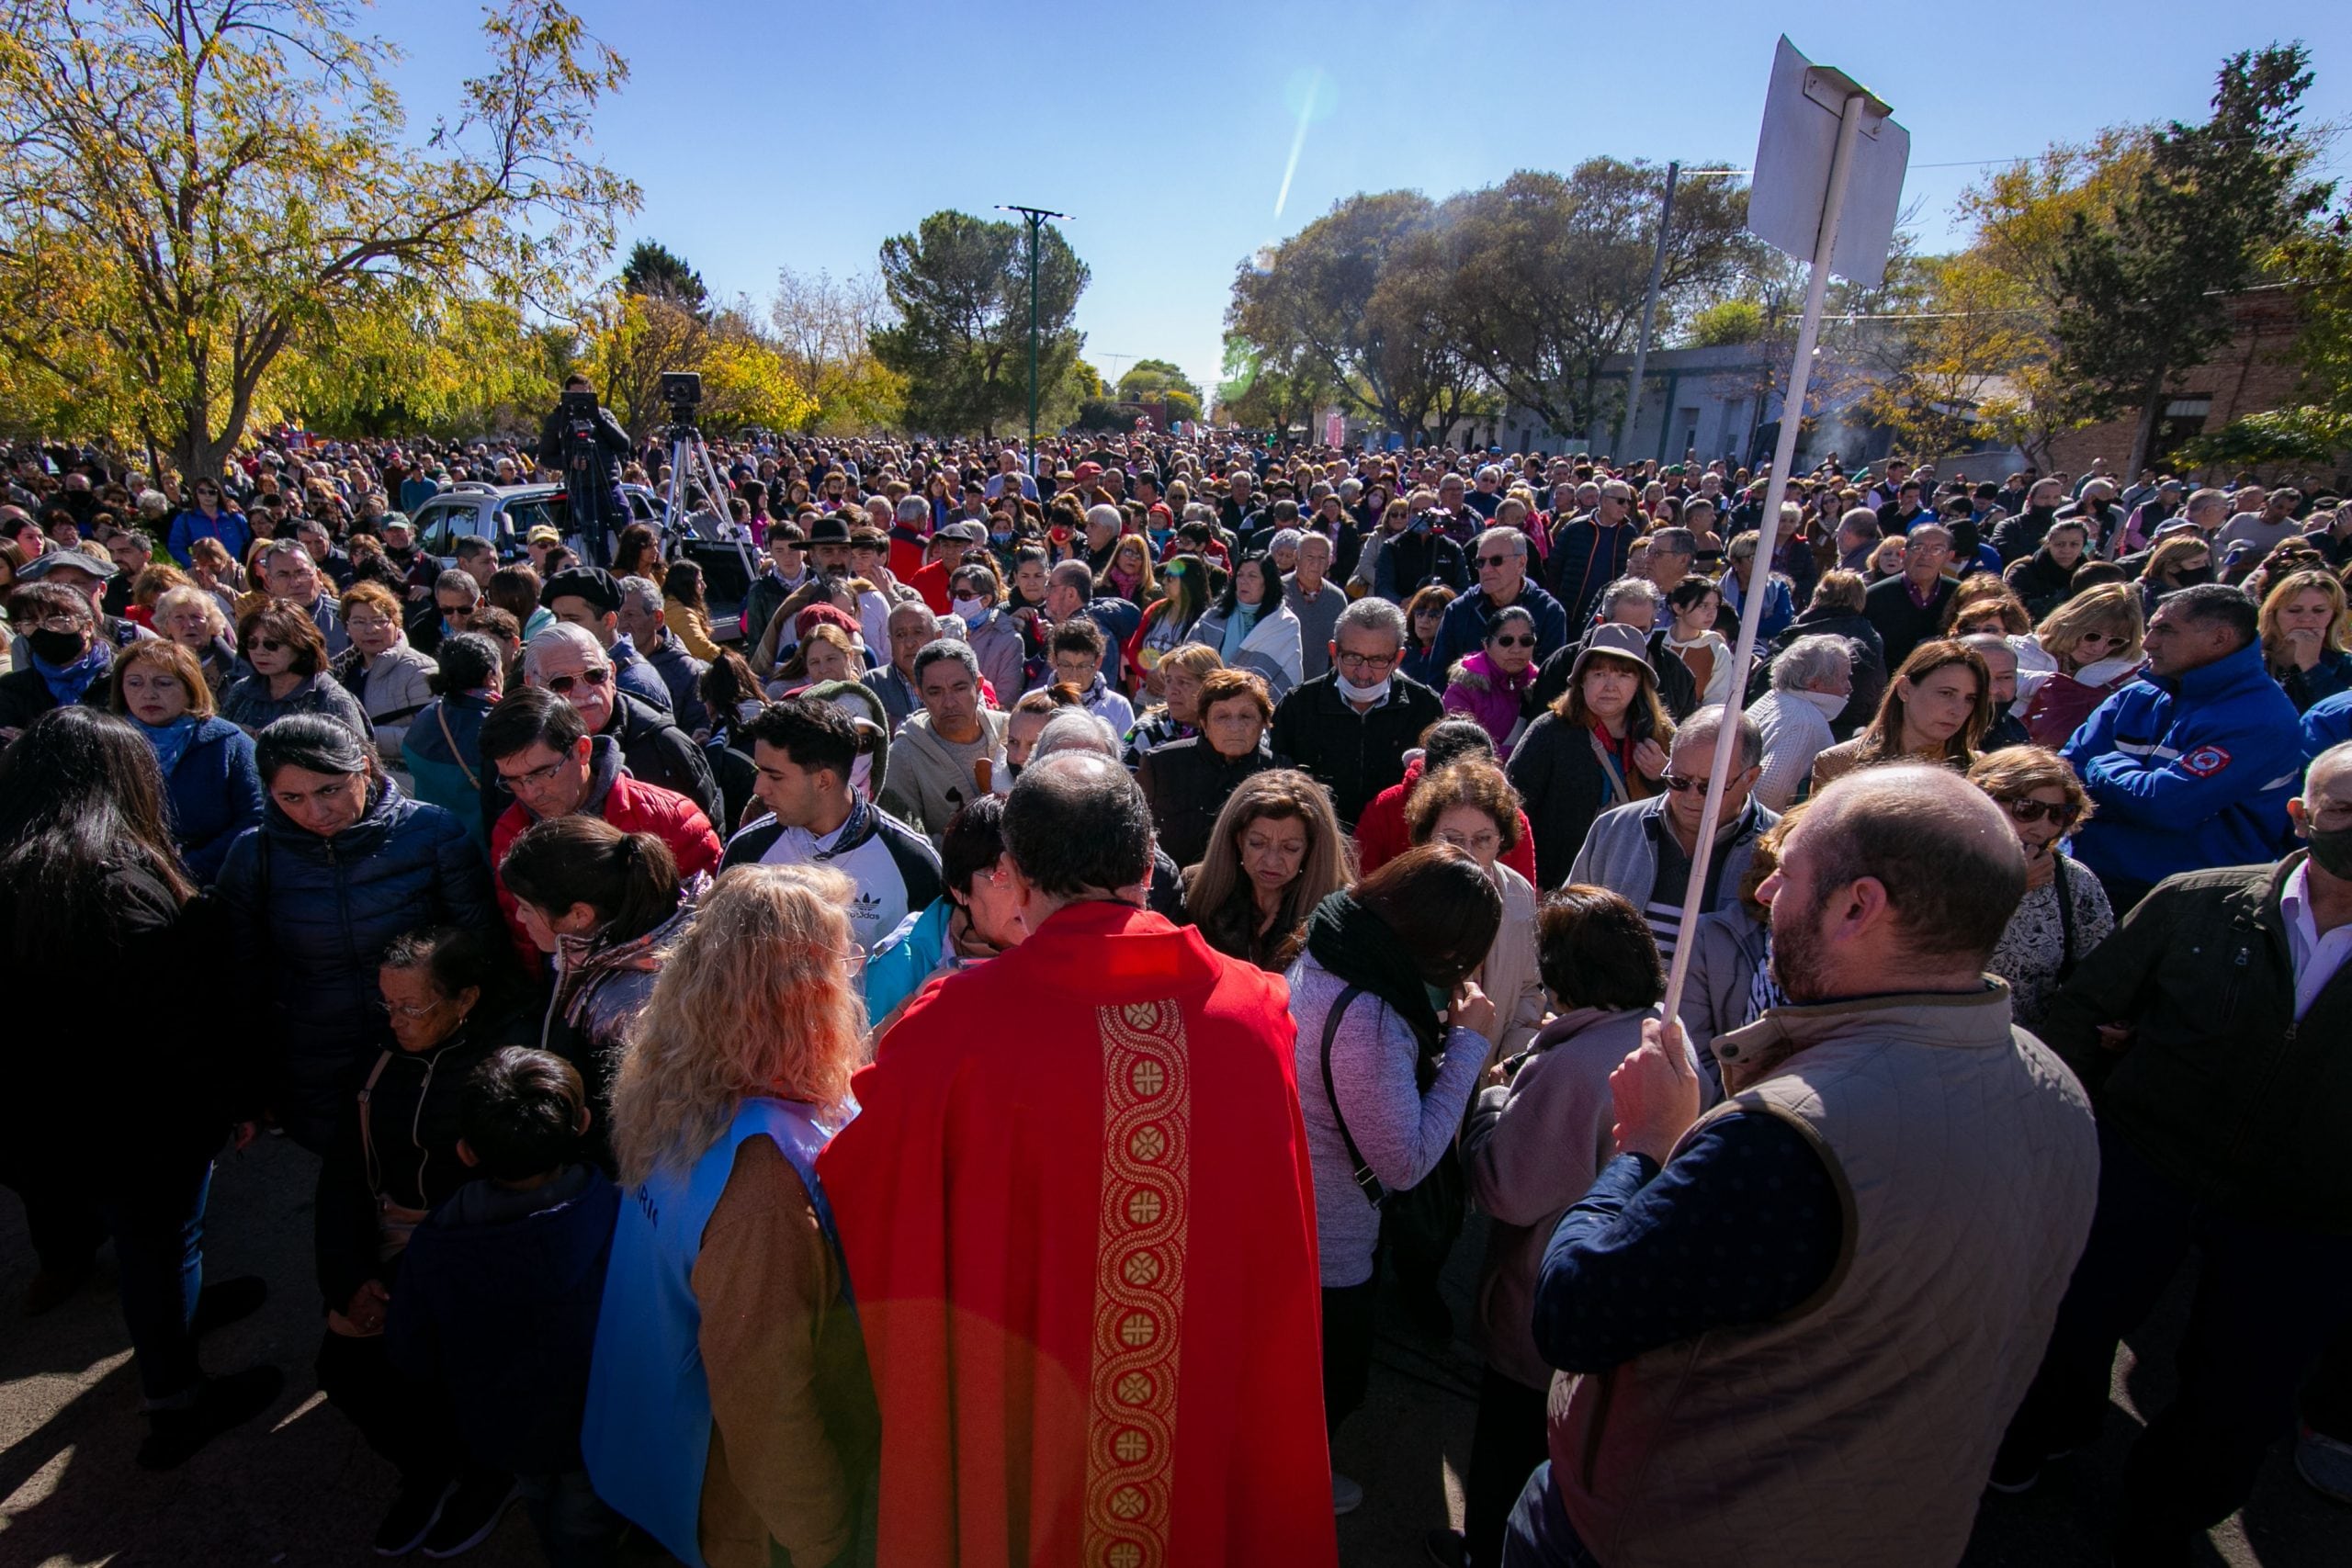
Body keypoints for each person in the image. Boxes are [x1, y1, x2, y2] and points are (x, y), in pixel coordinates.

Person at [1501, 764, 2098, 1568]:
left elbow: (1575, 1312)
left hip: (1664, 1533)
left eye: (1791, 872)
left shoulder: (1788, 1139)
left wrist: (1645, 1145)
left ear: (1859, 906)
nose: (1765, 889)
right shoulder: (2059, 1091)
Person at [821, 748, 1336, 1562]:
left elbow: (865, 1190)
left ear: (1015, 871)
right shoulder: (1251, 1014)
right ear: (1145, 861)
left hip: (1026, 1417)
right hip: (1194, 1397)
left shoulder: (950, 1030)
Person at [1997, 742, 2352, 1562]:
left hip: (2303, 1216)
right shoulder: (2195, 904)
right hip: (2146, 1162)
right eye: (2346, 811)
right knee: (2072, 1316)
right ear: (2299, 816)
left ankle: (2165, 1517)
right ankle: (2039, 1436)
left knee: (2242, 1388)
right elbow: (2088, 1010)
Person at [0, 706, 280, 1468]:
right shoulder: (117, 882)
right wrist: (236, 1100)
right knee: (161, 1243)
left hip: (42, 1118)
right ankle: (176, 1400)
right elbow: (180, 1021)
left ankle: (179, 1315)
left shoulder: (19, 865)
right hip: (136, 1120)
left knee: (152, 1246)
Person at [580, 861, 879, 1568]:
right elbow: (766, 1402)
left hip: (638, 1425)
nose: (854, 974)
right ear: (794, 996)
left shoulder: (674, 1082)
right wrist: (823, 1536)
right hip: (732, 1498)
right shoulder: (765, 1192)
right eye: (842, 960)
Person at [1443, 887, 1690, 1568]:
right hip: (1607, 1313)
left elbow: (1504, 1187)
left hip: (1535, 1319)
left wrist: (1493, 1100)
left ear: (1564, 975)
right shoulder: (1660, 1038)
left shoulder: (1571, 1068)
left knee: (1505, 1462)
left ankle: (1483, 1552)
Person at [1287, 844, 1500, 1511]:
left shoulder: (1333, 944)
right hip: (1330, 1243)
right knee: (1331, 1382)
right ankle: (1293, 1495)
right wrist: (1469, 1044)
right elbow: (1404, 1160)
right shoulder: (1369, 1022)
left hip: (1292, 1212)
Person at [313, 927, 519, 1558]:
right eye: (389, 1005)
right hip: (388, 1237)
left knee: (439, 1357)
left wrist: (404, 1284)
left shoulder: (497, 1071)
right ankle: (426, 1468)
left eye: (413, 1007)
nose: (397, 1021)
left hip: (467, 1246)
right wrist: (348, 1277)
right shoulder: (375, 1066)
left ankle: (488, 1474)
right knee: (342, 1365)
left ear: (465, 999)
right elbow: (343, 1176)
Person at [386, 1047, 626, 1568]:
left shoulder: (433, 1246)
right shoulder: (620, 1222)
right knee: (586, 1523)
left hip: (497, 1426)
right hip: (596, 1428)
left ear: (466, 1152)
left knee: (539, 1495)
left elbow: (411, 1350)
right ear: (583, 1122)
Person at [215, 716, 494, 1152]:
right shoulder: (254, 854)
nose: (316, 812)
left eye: (330, 789)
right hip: (314, 1063)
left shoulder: (433, 833)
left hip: (427, 1053)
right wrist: (251, 1086)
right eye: (292, 797)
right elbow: (240, 981)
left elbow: (481, 947)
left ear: (364, 768)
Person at [2063, 582, 2306, 911]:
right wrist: (2129, 792)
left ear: (2220, 639)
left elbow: (2164, 805)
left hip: (2195, 906)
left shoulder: (2261, 718)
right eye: (2151, 629)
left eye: (2165, 631)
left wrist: (2103, 764)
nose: (2148, 643)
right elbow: (2062, 779)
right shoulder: (2137, 696)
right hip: (2091, 882)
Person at [500, 814, 690, 1168]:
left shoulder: (629, 1010)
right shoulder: (605, 944)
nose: (520, 919)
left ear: (579, 916)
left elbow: (624, 1130)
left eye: (526, 908)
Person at [479, 686, 718, 966]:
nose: (529, 793)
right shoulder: (509, 831)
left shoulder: (672, 818)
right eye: (512, 780)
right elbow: (522, 938)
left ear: (582, 750)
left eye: (542, 773)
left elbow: (713, 925)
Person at [720, 696, 942, 952]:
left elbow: (934, 967)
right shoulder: (746, 851)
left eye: (775, 776)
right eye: (759, 771)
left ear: (824, 780)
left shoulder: (911, 859)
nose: (759, 788)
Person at [1566, 704, 1776, 964]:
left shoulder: (1780, 850)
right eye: (1679, 780)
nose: (1691, 797)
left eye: (1708, 787)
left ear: (1751, 778)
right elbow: (1566, 928)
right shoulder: (1615, 828)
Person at [1508, 624, 1671, 889]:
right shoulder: (1550, 731)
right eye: (1599, 673)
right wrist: (1528, 880)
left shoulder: (1660, 737)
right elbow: (1513, 810)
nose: (1610, 685)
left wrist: (1664, 777)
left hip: (1632, 883)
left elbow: (1685, 816)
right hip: (1556, 885)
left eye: (1623, 675)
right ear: (1582, 679)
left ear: (1639, 683)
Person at [1965, 748, 2114, 1033]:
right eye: (2028, 810)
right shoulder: (1935, 864)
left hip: (2030, 1049)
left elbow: (2099, 974)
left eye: (2059, 815)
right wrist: (2009, 887)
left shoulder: (2072, 881)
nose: (2042, 828)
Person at [1405, 759, 1545, 1060]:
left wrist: (1514, 1050)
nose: (1467, 853)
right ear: (1428, 836)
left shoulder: (1518, 893)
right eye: (1452, 839)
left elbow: (1529, 988)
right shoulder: (1404, 896)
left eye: (1482, 840)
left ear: (1501, 840)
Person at [519, 623, 722, 826]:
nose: (583, 692)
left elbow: (706, 837)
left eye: (594, 675)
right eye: (562, 682)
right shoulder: (513, 755)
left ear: (612, 674)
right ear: (532, 686)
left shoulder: (667, 746)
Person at [1271, 596, 1444, 829]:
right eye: (1353, 657)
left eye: (1378, 660)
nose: (1363, 673)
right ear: (1334, 652)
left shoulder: (1424, 708)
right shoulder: (1298, 705)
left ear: (1398, 658)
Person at [863, 795, 1030, 1028]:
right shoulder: (900, 965)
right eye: (1003, 877)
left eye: (1035, 875)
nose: (1026, 894)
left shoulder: (1067, 944)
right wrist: (918, 1005)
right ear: (959, 888)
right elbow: (868, 1060)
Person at [108, 638, 262, 884]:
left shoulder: (229, 742)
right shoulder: (106, 742)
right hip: (126, 879)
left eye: (163, 683)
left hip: (216, 881)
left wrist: (187, 867)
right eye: (135, 683)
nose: (148, 693)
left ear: (190, 687)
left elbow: (256, 818)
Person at [1182, 766, 1351, 973]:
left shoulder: (1342, 914)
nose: (1272, 861)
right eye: (1257, 843)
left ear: (1311, 850)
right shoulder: (1194, 891)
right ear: (1238, 840)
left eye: (1290, 848)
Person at [1355, 717, 1539, 885]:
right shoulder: (1386, 807)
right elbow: (1360, 883)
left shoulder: (1511, 818)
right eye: (1451, 838)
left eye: (1483, 838)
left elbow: (1520, 893)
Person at [1138, 667, 1280, 870]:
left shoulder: (1278, 773)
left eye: (1246, 716)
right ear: (1204, 722)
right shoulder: (1161, 766)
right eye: (1222, 717)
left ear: (1264, 722)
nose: (1234, 727)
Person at [1809, 639, 1993, 791]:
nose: (1958, 710)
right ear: (1905, 689)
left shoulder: (1978, 771)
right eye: (1946, 693)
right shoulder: (1838, 764)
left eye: (1970, 699)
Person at [881, 638, 1009, 840]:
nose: (949, 702)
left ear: (978, 685)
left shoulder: (1011, 733)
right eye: (935, 692)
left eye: (959, 688)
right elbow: (903, 840)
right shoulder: (903, 756)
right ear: (920, 694)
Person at [401, 632, 503, 852]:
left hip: (431, 846)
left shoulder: (426, 717)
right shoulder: (497, 727)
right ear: (491, 676)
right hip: (483, 852)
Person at [2013, 583, 2147, 749]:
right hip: (2012, 748)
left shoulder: (2131, 673)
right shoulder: (2023, 650)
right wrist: (2048, 684)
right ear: (2071, 623)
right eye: (2092, 636)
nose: (2099, 648)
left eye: (2115, 641)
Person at [220, 599, 372, 740]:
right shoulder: (241, 691)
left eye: (272, 644)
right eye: (252, 643)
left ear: (300, 645)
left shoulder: (332, 700)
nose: (260, 651)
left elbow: (359, 763)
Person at [1430, 526, 1569, 675]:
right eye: (1480, 562)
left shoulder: (1549, 611)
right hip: (1467, 696)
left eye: (1496, 561)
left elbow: (1551, 679)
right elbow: (1438, 676)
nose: (1486, 569)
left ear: (1521, 563)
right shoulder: (1459, 610)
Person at [538, 565, 673, 714]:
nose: (561, 627)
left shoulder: (634, 685)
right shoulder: (582, 668)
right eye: (557, 617)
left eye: (572, 619)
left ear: (608, 621)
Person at [333, 581, 437, 768]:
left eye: (380, 620)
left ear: (397, 623)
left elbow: (429, 733)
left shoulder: (420, 669)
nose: (370, 629)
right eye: (359, 622)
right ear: (347, 627)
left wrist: (360, 738)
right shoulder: (338, 671)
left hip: (402, 775)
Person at [1746, 634, 1851, 812]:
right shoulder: (1807, 722)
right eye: (1844, 678)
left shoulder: (1775, 697)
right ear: (1815, 685)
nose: (1849, 686)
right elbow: (1767, 791)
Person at [0, 579, 115, 741]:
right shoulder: (13, 689)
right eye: (30, 623)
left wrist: (35, 742)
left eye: (57, 620)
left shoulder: (123, 679)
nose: (43, 630)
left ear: (87, 627)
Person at [536, 375, 630, 562]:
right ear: (565, 395)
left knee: (629, 533)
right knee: (596, 541)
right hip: (582, 489)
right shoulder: (557, 420)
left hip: (609, 484)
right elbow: (546, 457)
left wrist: (599, 419)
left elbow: (624, 444)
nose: (579, 400)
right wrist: (571, 463)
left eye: (584, 394)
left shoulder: (603, 415)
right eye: (574, 395)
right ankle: (606, 577)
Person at [1186, 552, 1303, 699]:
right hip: (1208, 700)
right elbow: (1189, 655)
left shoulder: (1285, 624)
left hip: (1256, 707)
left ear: (1267, 582)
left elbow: (1288, 676)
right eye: (1240, 575)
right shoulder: (1214, 616)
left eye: (1252, 576)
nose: (1243, 581)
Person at [1860, 520, 1958, 671]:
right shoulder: (1874, 596)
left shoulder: (1959, 595)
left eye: (1937, 549)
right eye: (1918, 548)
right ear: (1903, 554)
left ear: (1949, 556)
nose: (1926, 556)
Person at [1442, 604, 1541, 751]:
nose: (1516, 649)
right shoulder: (1464, 686)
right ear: (1486, 645)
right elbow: (1460, 748)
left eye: (1526, 641)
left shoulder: (1542, 685)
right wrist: (1522, 756)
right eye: (1506, 641)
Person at [2261, 568, 2352, 713]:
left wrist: (2311, 666)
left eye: (2319, 610)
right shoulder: (2249, 657)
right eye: (2294, 610)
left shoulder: (2344, 665)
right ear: (2274, 613)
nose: (2306, 619)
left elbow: (2341, 719)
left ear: (2334, 615)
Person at [1121, 641, 1220, 766]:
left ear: (1209, 686)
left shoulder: (1228, 728)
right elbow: (1123, 780)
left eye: (1183, 682)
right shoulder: (1145, 732)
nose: (1172, 691)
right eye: (1168, 681)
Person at [1656, 576, 1736, 707]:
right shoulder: (1656, 640)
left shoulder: (1717, 649)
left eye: (1715, 606)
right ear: (1678, 608)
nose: (1711, 613)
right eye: (1703, 606)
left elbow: (1715, 705)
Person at [1048, 616, 1135, 735]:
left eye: (1083, 666)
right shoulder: (1034, 702)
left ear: (1098, 662)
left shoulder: (1119, 707)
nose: (1074, 675)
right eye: (1066, 665)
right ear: (1054, 660)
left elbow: (1129, 747)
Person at [153, 582, 239, 694]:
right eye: (179, 618)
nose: (189, 624)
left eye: (196, 617)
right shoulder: (158, 666)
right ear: (166, 625)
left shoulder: (238, 665)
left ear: (211, 622)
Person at [1400, 582, 1456, 688]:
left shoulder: (1453, 660)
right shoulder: (1401, 651)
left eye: (1434, 615)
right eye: (1420, 612)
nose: (1424, 620)